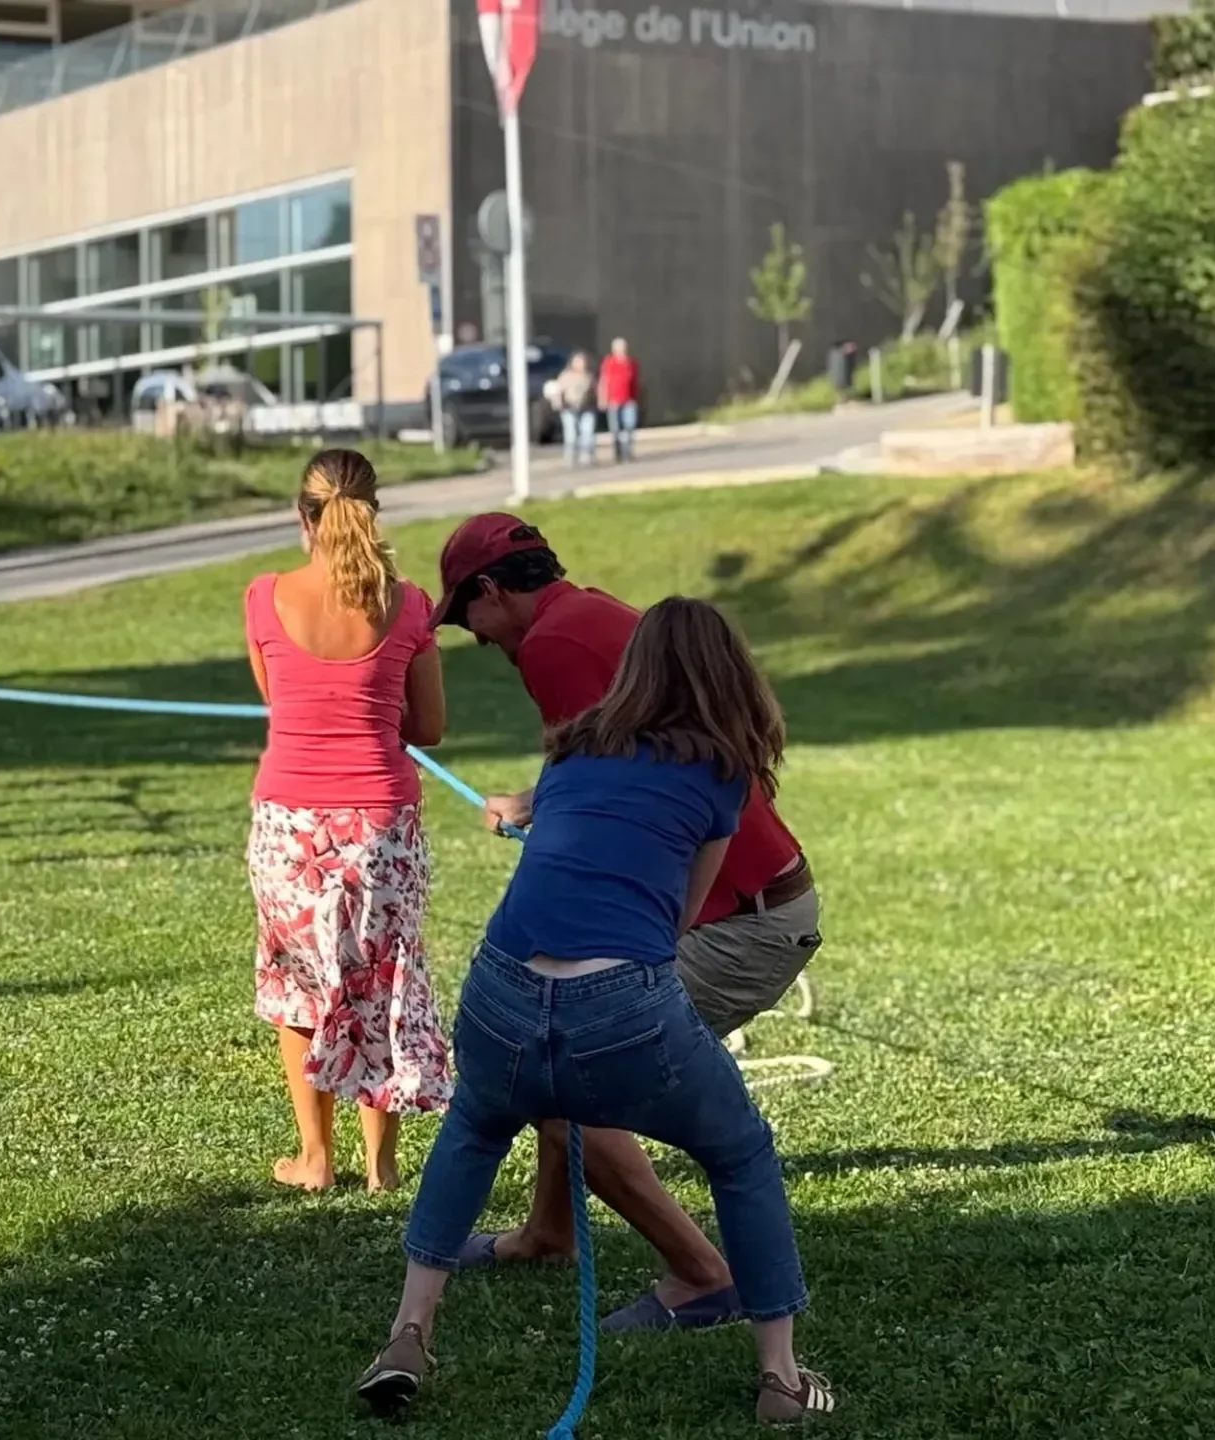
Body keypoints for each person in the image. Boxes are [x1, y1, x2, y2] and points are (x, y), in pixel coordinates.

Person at [355, 598, 834, 1427]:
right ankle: (782, 1380)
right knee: (740, 1153)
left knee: (476, 1126)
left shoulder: (573, 749)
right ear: (731, 676)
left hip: (500, 987)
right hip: (620, 1002)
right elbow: (677, 920)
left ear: (634, 665)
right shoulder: (722, 771)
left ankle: (408, 1332)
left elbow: (565, 834)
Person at [428, 513, 822, 1334]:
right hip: (759, 899)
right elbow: (621, 770)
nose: (478, 639)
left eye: (468, 618)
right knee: (564, 1062)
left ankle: (705, 1277)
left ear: (492, 592)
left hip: (738, 921)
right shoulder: (594, 611)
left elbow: (610, 779)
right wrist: (533, 803)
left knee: (566, 1077)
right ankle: (549, 1232)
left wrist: (539, 818)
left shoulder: (554, 646)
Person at [243, 448, 452, 1194]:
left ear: (302, 517)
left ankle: (315, 1157)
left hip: (289, 826)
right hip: (381, 827)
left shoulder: (264, 597)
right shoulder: (410, 604)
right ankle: (380, 1165)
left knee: (298, 986)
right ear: (373, 512)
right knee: (379, 983)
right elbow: (429, 727)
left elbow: (280, 701)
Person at [597, 337, 641, 462]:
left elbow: (635, 381)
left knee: (630, 426)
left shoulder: (631, 363)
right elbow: (604, 381)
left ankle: (628, 452)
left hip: (629, 399)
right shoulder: (609, 362)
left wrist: (636, 397)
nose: (621, 349)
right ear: (613, 349)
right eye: (619, 347)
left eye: (623, 347)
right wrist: (602, 398)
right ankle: (618, 453)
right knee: (615, 428)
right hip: (613, 400)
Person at [554, 351, 599, 467]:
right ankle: (570, 458)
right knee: (571, 435)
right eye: (577, 361)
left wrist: (598, 401)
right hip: (569, 408)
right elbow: (558, 391)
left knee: (587, 433)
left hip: (587, 407)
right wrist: (558, 404)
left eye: (582, 361)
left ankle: (586, 457)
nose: (579, 364)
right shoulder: (565, 376)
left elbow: (596, 390)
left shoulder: (589, 376)